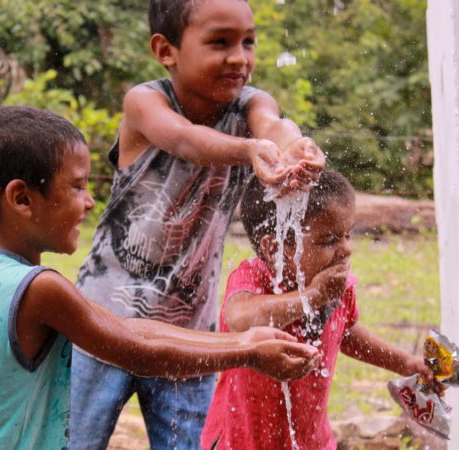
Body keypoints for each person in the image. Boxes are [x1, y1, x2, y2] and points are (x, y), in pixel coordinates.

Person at [0, 106, 320, 450]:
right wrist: (245, 351)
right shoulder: (40, 288)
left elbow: (130, 328)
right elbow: (136, 348)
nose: (89, 202)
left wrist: (246, 340)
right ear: (21, 199)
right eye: (77, 187)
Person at [71, 0, 326, 448]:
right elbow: (185, 139)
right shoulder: (145, 103)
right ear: (165, 50)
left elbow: (274, 124)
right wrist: (252, 150)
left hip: (191, 334)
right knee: (73, 440)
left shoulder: (251, 105)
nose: (239, 58)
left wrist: (295, 145)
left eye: (248, 42)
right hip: (104, 325)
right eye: (219, 42)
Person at [200, 169, 433, 450]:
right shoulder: (254, 278)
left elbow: (346, 332)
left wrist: (403, 363)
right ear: (274, 248)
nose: (346, 249)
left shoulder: (337, 288)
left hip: (312, 441)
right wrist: (311, 296)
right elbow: (239, 319)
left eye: (347, 235)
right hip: (242, 441)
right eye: (328, 241)